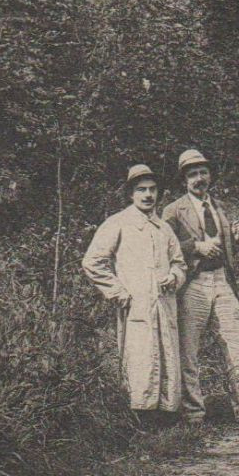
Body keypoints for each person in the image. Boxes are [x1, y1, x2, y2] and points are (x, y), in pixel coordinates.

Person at [162, 149, 239, 428]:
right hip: (193, 284)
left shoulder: (220, 206)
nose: (199, 179)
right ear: (184, 180)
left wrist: (236, 238)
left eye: (203, 172)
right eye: (193, 175)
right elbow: (162, 247)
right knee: (189, 350)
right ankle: (194, 415)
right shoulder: (173, 210)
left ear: (210, 175)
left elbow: (227, 250)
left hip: (222, 281)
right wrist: (195, 247)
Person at [83, 164, 189, 417]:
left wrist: (174, 276)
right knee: (140, 355)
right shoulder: (118, 223)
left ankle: (167, 412)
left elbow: (179, 262)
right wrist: (118, 292)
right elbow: (92, 262)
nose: (148, 195)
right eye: (141, 190)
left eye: (152, 190)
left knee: (167, 354)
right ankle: (140, 414)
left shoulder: (164, 228)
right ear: (131, 194)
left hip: (164, 302)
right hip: (136, 304)